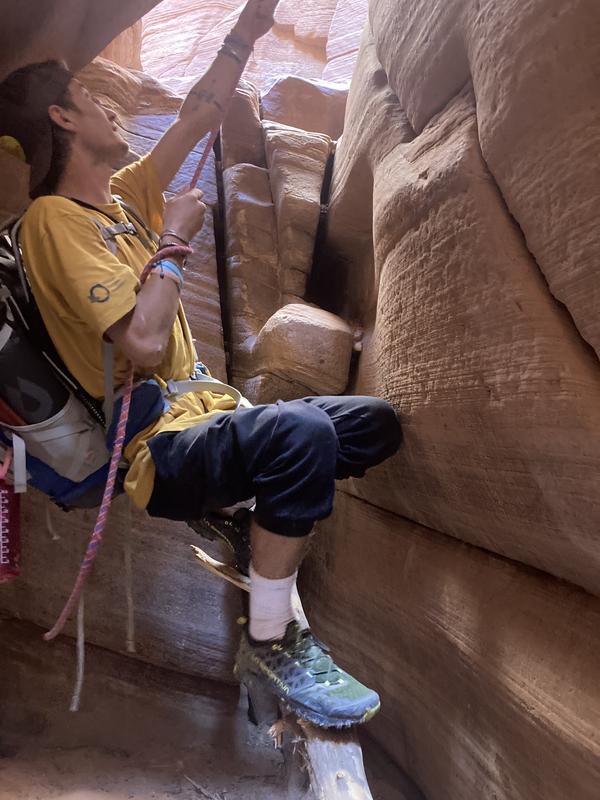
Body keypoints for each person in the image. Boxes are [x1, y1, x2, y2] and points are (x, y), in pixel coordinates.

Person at [0, 0, 402, 728]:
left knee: (371, 426)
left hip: (212, 414)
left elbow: (200, 112)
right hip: (157, 446)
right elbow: (144, 345)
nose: (111, 112)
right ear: (62, 121)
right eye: (93, 101)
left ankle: (248, 509)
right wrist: (176, 244)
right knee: (301, 438)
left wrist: (251, 23)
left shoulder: (119, 202)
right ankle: (271, 640)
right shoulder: (52, 222)